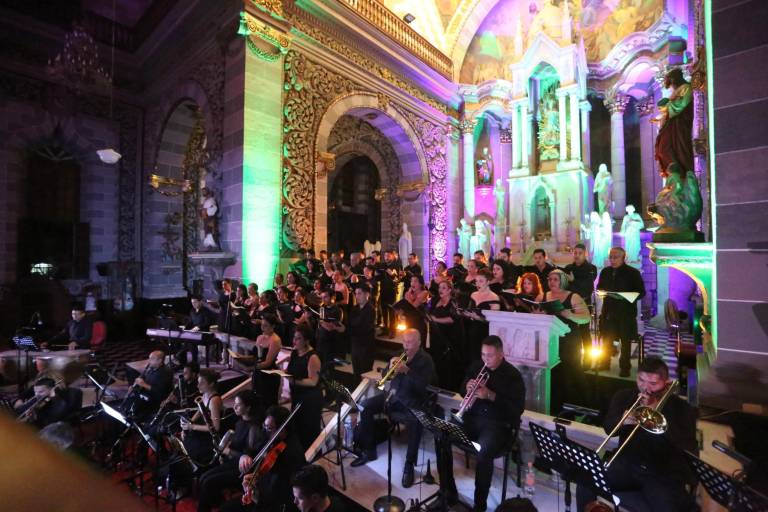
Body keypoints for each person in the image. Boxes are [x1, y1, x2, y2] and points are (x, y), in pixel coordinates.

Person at [576, 358, 697, 512]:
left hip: (661, 473)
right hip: (627, 464)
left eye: (653, 384)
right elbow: (608, 427)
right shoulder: (624, 396)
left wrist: (658, 414)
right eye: (641, 380)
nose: (645, 388)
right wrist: (623, 421)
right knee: (585, 481)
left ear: (666, 383)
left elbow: (688, 446)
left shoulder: (682, 408)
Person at [434, 336, 526, 512]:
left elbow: (517, 410)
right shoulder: (477, 366)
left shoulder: (513, 376)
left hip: (498, 425)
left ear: (501, 354)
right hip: (471, 418)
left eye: (490, 356)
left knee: (484, 452)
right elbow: (462, 390)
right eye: (483, 354)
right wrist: (467, 387)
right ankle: (448, 491)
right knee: (441, 436)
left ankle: (479, 504)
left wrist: (491, 396)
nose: (485, 359)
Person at [351, 328, 435, 489]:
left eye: (410, 342)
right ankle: (369, 450)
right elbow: (384, 376)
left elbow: (424, 387)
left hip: (413, 401)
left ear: (419, 343)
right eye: (404, 341)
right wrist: (389, 367)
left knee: (416, 419)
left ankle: (409, 464)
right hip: (393, 397)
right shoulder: (398, 353)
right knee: (366, 405)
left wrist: (407, 371)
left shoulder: (426, 360)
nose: (406, 345)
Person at [222, 405, 307, 512]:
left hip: (271, 504)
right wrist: (244, 456)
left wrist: (255, 494)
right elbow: (253, 450)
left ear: (283, 429)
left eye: (270, 428)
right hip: (259, 493)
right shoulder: (269, 435)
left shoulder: (292, 454)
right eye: (265, 426)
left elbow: (278, 496)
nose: (266, 430)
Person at [197, 391, 264, 512]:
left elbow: (248, 458)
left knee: (207, 482)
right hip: (232, 462)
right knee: (203, 477)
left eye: (238, 405)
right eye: (235, 403)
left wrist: (227, 451)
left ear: (248, 408)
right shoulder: (240, 421)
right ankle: (215, 501)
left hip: (242, 471)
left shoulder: (253, 428)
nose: (234, 407)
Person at [538, 269, 591, 409]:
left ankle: (586, 406)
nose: (551, 282)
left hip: (569, 340)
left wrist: (571, 315)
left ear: (562, 280)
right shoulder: (543, 296)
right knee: (555, 373)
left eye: (555, 279)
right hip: (550, 340)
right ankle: (557, 405)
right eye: (549, 279)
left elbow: (586, 318)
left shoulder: (573, 296)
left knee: (574, 370)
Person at [597, 247, 646, 377]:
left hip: (626, 313)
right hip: (608, 311)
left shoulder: (633, 273)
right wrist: (602, 292)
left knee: (625, 340)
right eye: (611, 257)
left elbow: (641, 292)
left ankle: (625, 367)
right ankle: (604, 362)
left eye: (616, 257)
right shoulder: (605, 272)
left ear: (623, 258)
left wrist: (625, 296)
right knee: (607, 339)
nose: (612, 260)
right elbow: (599, 287)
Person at [287, 324, 323, 451]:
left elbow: (313, 382)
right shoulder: (295, 353)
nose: (294, 341)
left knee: (308, 429)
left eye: (298, 338)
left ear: (306, 340)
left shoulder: (312, 357)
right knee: (296, 427)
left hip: (310, 398)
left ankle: (311, 455)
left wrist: (294, 381)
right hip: (297, 395)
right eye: (294, 337)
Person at [563, 243, 598, 368]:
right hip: (568, 305)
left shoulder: (591, 268)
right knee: (570, 333)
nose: (577, 255)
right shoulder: (568, 268)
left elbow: (587, 288)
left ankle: (587, 362)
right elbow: (565, 287)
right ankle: (572, 359)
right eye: (575, 253)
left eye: (580, 253)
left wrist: (573, 281)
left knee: (584, 333)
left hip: (584, 305)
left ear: (585, 254)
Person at [181, 368, 223, 464]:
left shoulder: (214, 400)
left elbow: (215, 428)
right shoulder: (205, 395)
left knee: (190, 444)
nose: (198, 385)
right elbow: (200, 412)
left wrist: (192, 426)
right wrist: (188, 424)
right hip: (204, 429)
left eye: (202, 383)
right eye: (198, 382)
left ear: (211, 384)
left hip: (211, 437)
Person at [426, 280, 461, 391]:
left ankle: (447, 388)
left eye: (444, 288)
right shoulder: (435, 299)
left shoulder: (453, 302)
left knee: (446, 364)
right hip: (435, 335)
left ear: (450, 290)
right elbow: (429, 312)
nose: (440, 290)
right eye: (440, 287)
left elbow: (453, 319)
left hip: (448, 337)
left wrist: (436, 319)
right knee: (435, 361)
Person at [464, 268, 503, 359]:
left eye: (481, 281)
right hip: (472, 330)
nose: (477, 284)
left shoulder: (494, 297)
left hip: (485, 333)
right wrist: (464, 313)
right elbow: (470, 310)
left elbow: (494, 320)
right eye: (476, 281)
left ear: (488, 282)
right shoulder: (473, 294)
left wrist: (478, 318)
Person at [338, 283, 375, 377]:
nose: (357, 296)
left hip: (365, 347)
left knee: (365, 373)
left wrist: (346, 330)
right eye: (356, 293)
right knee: (356, 372)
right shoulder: (354, 308)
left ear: (367, 294)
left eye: (359, 293)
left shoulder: (370, 310)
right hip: (355, 345)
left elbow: (364, 329)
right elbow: (350, 324)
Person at [251, 315, 283, 409]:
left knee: (267, 402)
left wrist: (251, 366)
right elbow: (255, 356)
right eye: (262, 325)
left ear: (273, 326)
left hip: (268, 375)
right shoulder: (259, 337)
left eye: (266, 326)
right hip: (258, 372)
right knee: (256, 400)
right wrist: (241, 358)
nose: (263, 328)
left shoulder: (275, 340)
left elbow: (268, 363)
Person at [130, 350, 174, 418]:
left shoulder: (165, 372)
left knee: (137, 410)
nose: (149, 361)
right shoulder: (151, 369)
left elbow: (160, 391)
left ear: (159, 360)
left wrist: (144, 384)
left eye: (152, 359)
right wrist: (135, 386)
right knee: (131, 404)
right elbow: (143, 379)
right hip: (147, 396)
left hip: (157, 401)